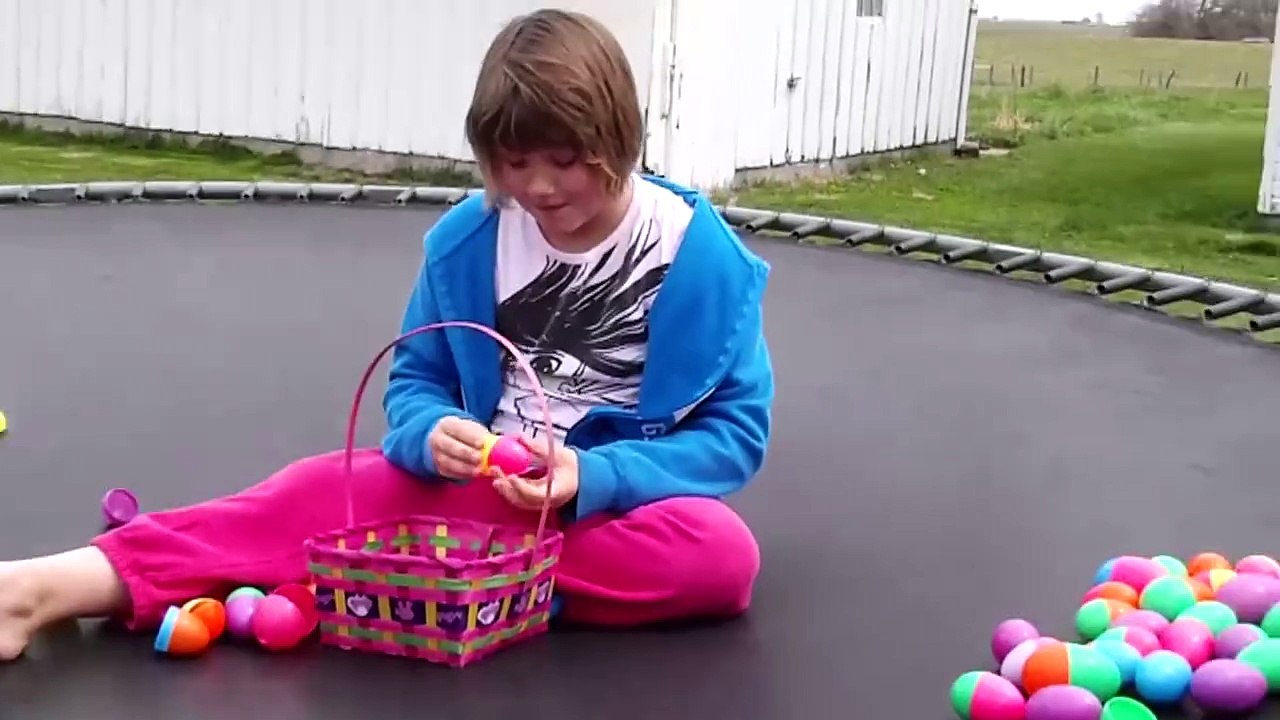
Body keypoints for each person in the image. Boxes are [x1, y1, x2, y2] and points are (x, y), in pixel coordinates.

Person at [0, 8, 772, 662]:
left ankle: (425, 572)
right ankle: (44, 587)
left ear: (617, 135)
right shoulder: (471, 243)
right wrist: (430, 431)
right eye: (514, 163)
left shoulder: (699, 262)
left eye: (565, 162)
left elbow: (734, 437)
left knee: (719, 556)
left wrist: (592, 478)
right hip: (472, 488)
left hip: (608, 509)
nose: (538, 187)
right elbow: (416, 382)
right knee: (307, 488)